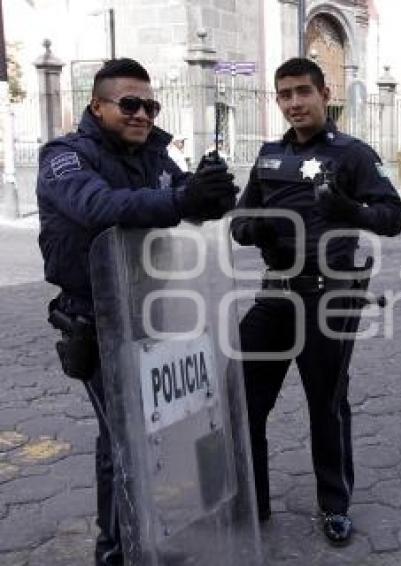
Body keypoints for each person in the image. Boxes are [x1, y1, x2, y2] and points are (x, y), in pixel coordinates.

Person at [36, 58, 238, 566]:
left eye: (150, 105)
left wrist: (211, 195)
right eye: (129, 104)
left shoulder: (154, 155)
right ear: (97, 106)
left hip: (150, 311)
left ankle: (143, 537)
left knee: (151, 434)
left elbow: (183, 199)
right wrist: (180, 198)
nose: (142, 115)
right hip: (96, 320)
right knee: (121, 441)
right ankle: (117, 552)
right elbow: (99, 208)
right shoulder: (64, 157)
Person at [231, 57, 401, 545]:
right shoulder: (267, 157)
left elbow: (393, 217)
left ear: (324, 94)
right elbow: (238, 224)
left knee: (325, 404)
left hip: (331, 298)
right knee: (242, 399)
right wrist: (258, 227)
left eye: (302, 92)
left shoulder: (352, 155)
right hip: (276, 295)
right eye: (284, 94)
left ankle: (334, 506)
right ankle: (253, 500)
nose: (293, 103)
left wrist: (349, 210)